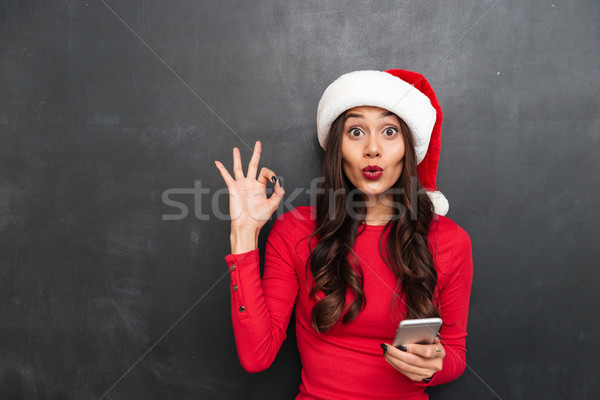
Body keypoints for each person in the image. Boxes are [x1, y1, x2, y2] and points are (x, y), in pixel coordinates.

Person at [214, 69, 473, 400]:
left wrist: (433, 364)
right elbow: (256, 356)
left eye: (390, 131)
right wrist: (244, 235)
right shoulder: (295, 230)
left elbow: (456, 356)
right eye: (356, 131)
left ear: (408, 148)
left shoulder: (449, 240)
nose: (372, 149)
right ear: (337, 147)